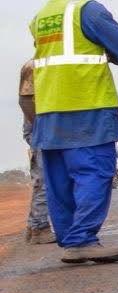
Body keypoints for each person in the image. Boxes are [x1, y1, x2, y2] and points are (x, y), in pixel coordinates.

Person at [28, 0, 118, 262]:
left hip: (48, 109)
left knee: (59, 178)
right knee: (94, 171)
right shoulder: (87, 11)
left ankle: (71, 240)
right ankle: (82, 239)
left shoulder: (40, 17)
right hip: (87, 104)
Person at [18, 60, 54, 243]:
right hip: (39, 128)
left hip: (42, 127)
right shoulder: (33, 66)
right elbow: (24, 101)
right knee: (45, 178)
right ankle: (39, 227)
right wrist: (40, 132)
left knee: (42, 178)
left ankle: (35, 226)